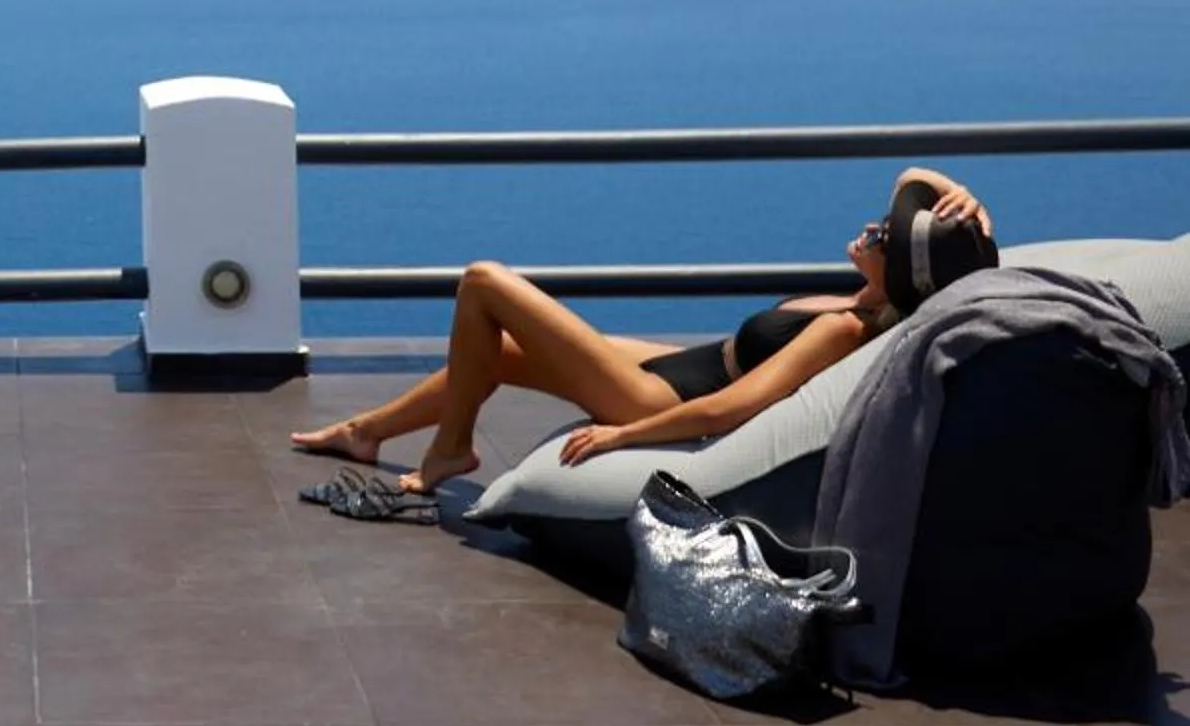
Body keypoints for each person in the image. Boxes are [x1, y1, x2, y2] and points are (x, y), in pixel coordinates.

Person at [289, 169, 1001, 495]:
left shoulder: (844, 328)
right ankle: (368, 431)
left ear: (901, 272)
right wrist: (961, 199)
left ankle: (451, 449)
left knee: (483, 282)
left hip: (659, 403)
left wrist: (624, 436)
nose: (873, 226)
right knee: (497, 352)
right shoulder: (862, 298)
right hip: (685, 365)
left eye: (885, 232)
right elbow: (914, 174)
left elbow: (734, 409)